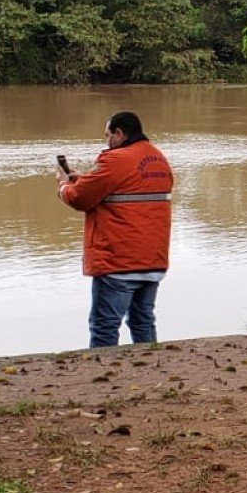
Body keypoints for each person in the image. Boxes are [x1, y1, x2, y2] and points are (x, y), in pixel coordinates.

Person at [58, 110, 173, 347]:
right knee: (143, 322)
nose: (106, 142)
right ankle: (150, 369)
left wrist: (63, 186)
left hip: (118, 262)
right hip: (152, 261)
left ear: (119, 133)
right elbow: (124, 187)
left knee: (104, 327)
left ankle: (104, 378)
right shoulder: (159, 159)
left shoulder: (115, 159)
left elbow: (80, 198)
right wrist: (85, 178)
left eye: (107, 135)